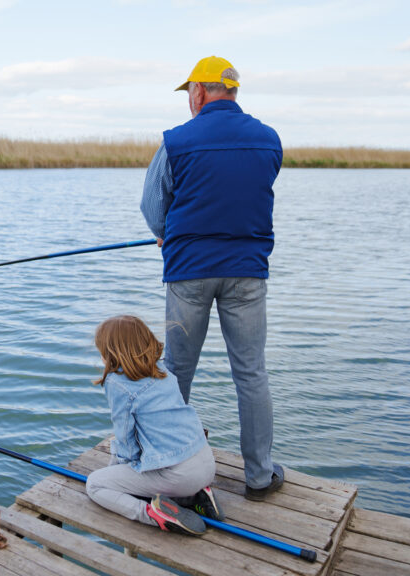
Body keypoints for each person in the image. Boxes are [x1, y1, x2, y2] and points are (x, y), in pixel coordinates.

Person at [140, 55, 285, 501]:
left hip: (189, 272)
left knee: (178, 370)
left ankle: (170, 467)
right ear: (233, 91)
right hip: (247, 273)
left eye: (189, 93)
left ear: (200, 92)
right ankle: (259, 476)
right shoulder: (269, 140)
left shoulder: (176, 142)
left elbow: (152, 207)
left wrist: (168, 235)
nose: (189, 100)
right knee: (251, 373)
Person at [84, 315, 223, 536]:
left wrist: (118, 472)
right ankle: (195, 497)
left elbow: (125, 439)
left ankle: (153, 514)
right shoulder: (163, 370)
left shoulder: (117, 383)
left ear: (109, 354)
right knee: (150, 475)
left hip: (179, 477)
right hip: (206, 465)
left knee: (95, 484)